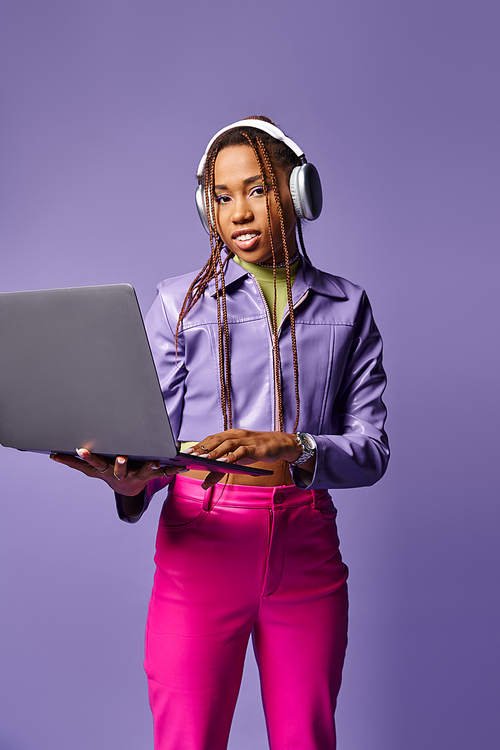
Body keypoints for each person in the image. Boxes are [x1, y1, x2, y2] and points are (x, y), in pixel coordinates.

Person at [51, 117, 389, 750]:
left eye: (257, 190)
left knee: (306, 740)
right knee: (187, 740)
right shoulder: (178, 304)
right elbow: (151, 441)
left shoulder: (348, 308)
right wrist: (128, 483)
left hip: (307, 546)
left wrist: (296, 446)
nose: (239, 212)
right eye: (223, 196)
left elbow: (372, 451)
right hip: (200, 543)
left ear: (297, 192)